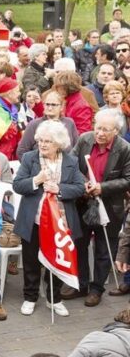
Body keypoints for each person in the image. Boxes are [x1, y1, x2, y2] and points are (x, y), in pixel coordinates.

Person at [12, 120, 85, 317]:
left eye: (48, 142)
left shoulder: (71, 161)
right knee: (31, 261)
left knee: (57, 259)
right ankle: (30, 297)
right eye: (41, 140)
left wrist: (59, 189)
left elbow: (80, 188)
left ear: (59, 144)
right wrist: (37, 180)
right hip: (33, 219)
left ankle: (55, 298)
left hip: (60, 221)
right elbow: (17, 185)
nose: (43, 145)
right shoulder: (29, 158)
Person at [64, 110, 130, 306]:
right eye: (97, 127)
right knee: (80, 244)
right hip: (83, 201)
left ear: (116, 131)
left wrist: (102, 187)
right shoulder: (85, 140)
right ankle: (81, 284)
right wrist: (83, 184)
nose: (99, 133)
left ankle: (96, 288)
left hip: (110, 205)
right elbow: (70, 165)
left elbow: (128, 179)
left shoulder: (125, 148)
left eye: (105, 130)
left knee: (103, 248)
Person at [17, 90, 79, 159]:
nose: (49, 108)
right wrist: (33, 167)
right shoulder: (34, 125)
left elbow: (76, 150)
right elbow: (21, 151)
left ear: (61, 107)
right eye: (47, 104)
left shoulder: (69, 123)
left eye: (53, 105)